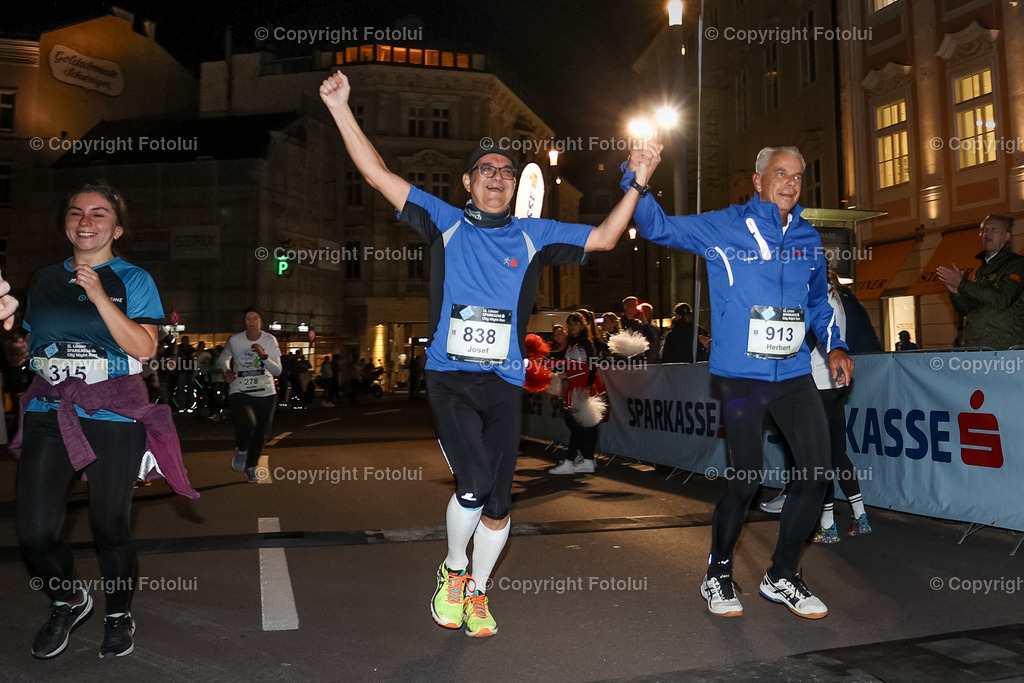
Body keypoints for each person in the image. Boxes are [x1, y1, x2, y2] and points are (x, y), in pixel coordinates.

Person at [320, 69, 652, 637]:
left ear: (511, 184)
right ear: (468, 185)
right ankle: (452, 572)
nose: (496, 177)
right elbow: (376, 174)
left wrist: (637, 184)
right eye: (485, 170)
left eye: (504, 170)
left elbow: (603, 238)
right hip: (451, 380)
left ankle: (477, 591)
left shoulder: (533, 234)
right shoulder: (443, 222)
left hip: (502, 385)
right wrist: (340, 108)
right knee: (472, 483)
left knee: (499, 506)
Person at [623, 145, 853, 620]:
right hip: (742, 378)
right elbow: (657, 226)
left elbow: (817, 304)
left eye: (798, 176)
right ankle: (719, 574)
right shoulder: (725, 225)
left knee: (815, 472)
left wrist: (834, 345)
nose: (790, 183)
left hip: (791, 374)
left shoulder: (808, 237)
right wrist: (638, 177)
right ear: (758, 179)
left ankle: (782, 574)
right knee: (745, 482)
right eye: (780, 174)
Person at [11, 183, 197, 659]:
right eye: (76, 213)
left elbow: (145, 348)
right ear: (65, 225)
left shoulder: (133, 279)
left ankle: (118, 613)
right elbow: (26, 351)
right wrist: (8, 331)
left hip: (114, 409)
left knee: (108, 523)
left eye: (99, 214)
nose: (86, 221)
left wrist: (98, 295)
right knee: (33, 531)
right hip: (49, 408)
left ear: (117, 228)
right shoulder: (44, 279)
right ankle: (68, 599)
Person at [807, 264, 872, 543]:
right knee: (836, 453)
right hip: (835, 385)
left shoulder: (818, 299)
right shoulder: (838, 299)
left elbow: (808, 341)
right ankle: (860, 516)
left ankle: (828, 524)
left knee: (819, 458)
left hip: (816, 385)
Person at [937, 215, 1024, 349]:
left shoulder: (1016, 264)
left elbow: (1002, 299)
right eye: (983, 230)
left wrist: (963, 284)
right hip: (977, 349)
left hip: (1004, 351)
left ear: (1007, 236)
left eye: (994, 230)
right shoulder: (981, 270)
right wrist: (957, 293)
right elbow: (967, 310)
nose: (987, 233)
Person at [221, 308, 283, 483]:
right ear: (245, 322)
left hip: (266, 392)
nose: (252, 321)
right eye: (248, 318)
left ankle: (251, 467)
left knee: (261, 432)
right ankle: (241, 450)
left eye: (255, 318)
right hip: (240, 388)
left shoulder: (270, 340)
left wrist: (263, 355)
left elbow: (278, 370)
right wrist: (227, 371)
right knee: (248, 423)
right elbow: (223, 357)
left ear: (261, 322)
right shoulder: (235, 340)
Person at [549, 312, 600, 475]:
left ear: (582, 325)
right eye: (570, 324)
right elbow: (562, 359)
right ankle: (588, 460)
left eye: (575, 323)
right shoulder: (570, 343)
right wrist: (541, 352)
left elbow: (593, 366)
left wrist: (587, 387)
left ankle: (570, 462)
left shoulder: (586, 343)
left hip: (582, 387)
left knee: (579, 426)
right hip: (572, 387)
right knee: (576, 425)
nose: (572, 327)